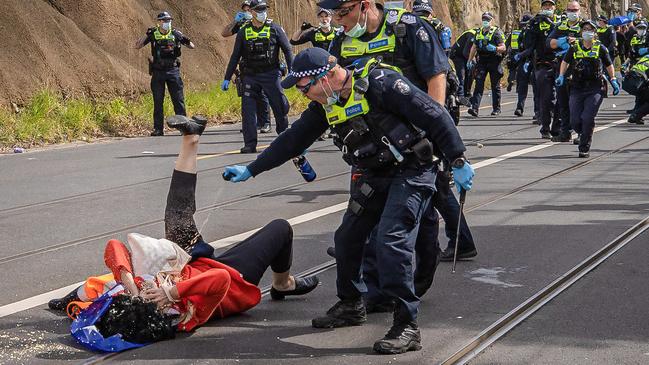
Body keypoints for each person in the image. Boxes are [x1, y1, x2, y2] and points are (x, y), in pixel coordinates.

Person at [222, 48, 474, 354]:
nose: (304, 96)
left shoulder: (382, 84)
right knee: (348, 238)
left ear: (326, 77)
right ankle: (351, 303)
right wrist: (251, 169)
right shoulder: (326, 105)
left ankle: (407, 324)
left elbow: (435, 115)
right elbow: (293, 139)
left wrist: (458, 160)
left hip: (413, 171)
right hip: (374, 173)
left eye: (305, 88)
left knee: (391, 242)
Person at [49, 115, 319, 337]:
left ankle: (191, 139)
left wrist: (131, 287)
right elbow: (219, 280)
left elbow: (114, 248)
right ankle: (283, 284)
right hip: (234, 280)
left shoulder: (133, 295)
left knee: (177, 216)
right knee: (281, 228)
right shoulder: (183, 317)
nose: (146, 296)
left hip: (192, 264)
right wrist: (169, 292)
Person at [320, 0, 475, 301]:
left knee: (425, 211)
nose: (339, 21)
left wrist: (435, 136)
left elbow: (435, 78)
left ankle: (420, 279)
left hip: (416, 139)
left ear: (364, 5)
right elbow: (336, 84)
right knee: (368, 215)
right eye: (334, 15)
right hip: (371, 143)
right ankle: (377, 291)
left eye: (343, 13)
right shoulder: (342, 39)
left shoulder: (408, 28)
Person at [222, 0, 293, 153]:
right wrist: (227, 77)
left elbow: (287, 50)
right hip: (250, 76)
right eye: (259, 10)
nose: (262, 13)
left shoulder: (275, 28)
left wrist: (292, 71)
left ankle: (285, 138)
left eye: (264, 10)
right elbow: (235, 56)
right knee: (248, 111)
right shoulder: (243, 31)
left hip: (271, 74)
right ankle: (250, 144)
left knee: (280, 106)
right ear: (252, 12)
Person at [555, 20, 620, 158]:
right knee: (575, 120)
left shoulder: (600, 48)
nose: (587, 32)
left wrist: (613, 79)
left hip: (595, 88)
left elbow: (609, 64)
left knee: (588, 117)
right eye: (585, 29)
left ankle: (584, 146)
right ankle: (581, 132)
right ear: (581, 31)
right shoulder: (574, 47)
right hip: (577, 87)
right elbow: (565, 61)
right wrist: (561, 75)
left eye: (590, 29)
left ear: (595, 33)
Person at [135, 12, 195, 137]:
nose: (168, 23)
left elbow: (192, 46)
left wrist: (183, 38)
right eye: (165, 20)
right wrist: (146, 35)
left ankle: (183, 127)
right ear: (159, 22)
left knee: (178, 100)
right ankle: (158, 129)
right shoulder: (153, 34)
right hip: (158, 72)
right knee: (158, 101)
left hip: (173, 71)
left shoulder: (174, 33)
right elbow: (137, 46)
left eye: (169, 20)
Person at [222, 0, 272, 134]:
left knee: (262, 95)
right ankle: (251, 124)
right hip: (246, 64)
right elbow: (225, 33)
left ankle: (265, 122)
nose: (247, 12)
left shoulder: (265, 23)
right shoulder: (242, 25)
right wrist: (235, 21)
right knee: (247, 96)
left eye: (249, 9)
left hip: (263, 63)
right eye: (245, 10)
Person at [547, 0, 583, 143]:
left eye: (575, 10)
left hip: (580, 68)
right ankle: (565, 131)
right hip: (562, 67)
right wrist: (563, 41)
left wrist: (577, 41)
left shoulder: (585, 26)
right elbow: (549, 43)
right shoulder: (560, 26)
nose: (572, 13)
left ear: (579, 11)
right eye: (570, 10)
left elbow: (593, 42)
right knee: (563, 101)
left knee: (578, 102)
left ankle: (581, 133)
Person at [521, 1, 557, 138]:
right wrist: (533, 26)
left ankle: (560, 127)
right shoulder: (535, 23)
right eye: (545, 6)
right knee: (545, 97)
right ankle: (545, 128)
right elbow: (528, 44)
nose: (548, 8)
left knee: (562, 98)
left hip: (561, 64)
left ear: (555, 8)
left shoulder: (561, 22)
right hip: (543, 63)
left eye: (550, 6)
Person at [466, 12, 506, 117]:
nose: (485, 21)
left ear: (492, 20)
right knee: (479, 85)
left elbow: (503, 47)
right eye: (484, 19)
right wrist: (469, 60)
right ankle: (474, 108)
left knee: (495, 86)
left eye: (487, 20)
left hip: (494, 61)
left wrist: (495, 48)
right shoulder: (478, 32)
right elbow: (474, 47)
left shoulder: (496, 33)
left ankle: (496, 109)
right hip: (482, 61)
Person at [508, 14, 537, 117]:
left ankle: (537, 111)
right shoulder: (522, 33)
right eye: (523, 24)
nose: (524, 26)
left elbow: (532, 48)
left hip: (534, 60)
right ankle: (519, 108)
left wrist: (521, 55)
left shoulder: (535, 33)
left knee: (536, 87)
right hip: (524, 61)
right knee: (521, 86)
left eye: (526, 24)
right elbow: (519, 47)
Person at [451, 27, 479, 106]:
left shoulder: (481, 36)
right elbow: (466, 52)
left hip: (464, 55)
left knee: (469, 74)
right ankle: (460, 95)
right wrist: (472, 60)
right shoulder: (472, 35)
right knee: (462, 74)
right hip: (457, 54)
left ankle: (467, 94)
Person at [623, 54, 649, 125]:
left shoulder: (646, 56)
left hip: (629, 80)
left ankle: (635, 116)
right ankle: (636, 115)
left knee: (642, 95)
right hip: (637, 81)